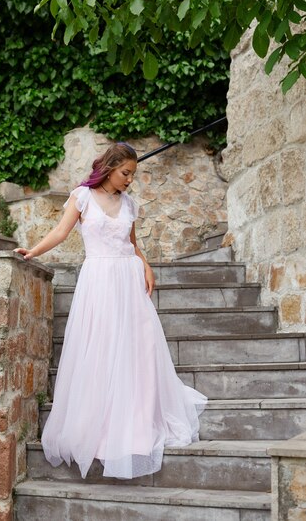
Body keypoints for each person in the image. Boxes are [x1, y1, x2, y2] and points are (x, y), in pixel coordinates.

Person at [14, 142, 207, 480]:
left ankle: (136, 422)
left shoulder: (129, 203)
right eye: (125, 173)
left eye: (133, 174)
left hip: (129, 279)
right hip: (99, 281)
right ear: (110, 166)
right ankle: (100, 429)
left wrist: (146, 267)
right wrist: (33, 251)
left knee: (137, 351)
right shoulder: (82, 198)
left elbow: (132, 244)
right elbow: (61, 232)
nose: (130, 180)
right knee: (101, 349)